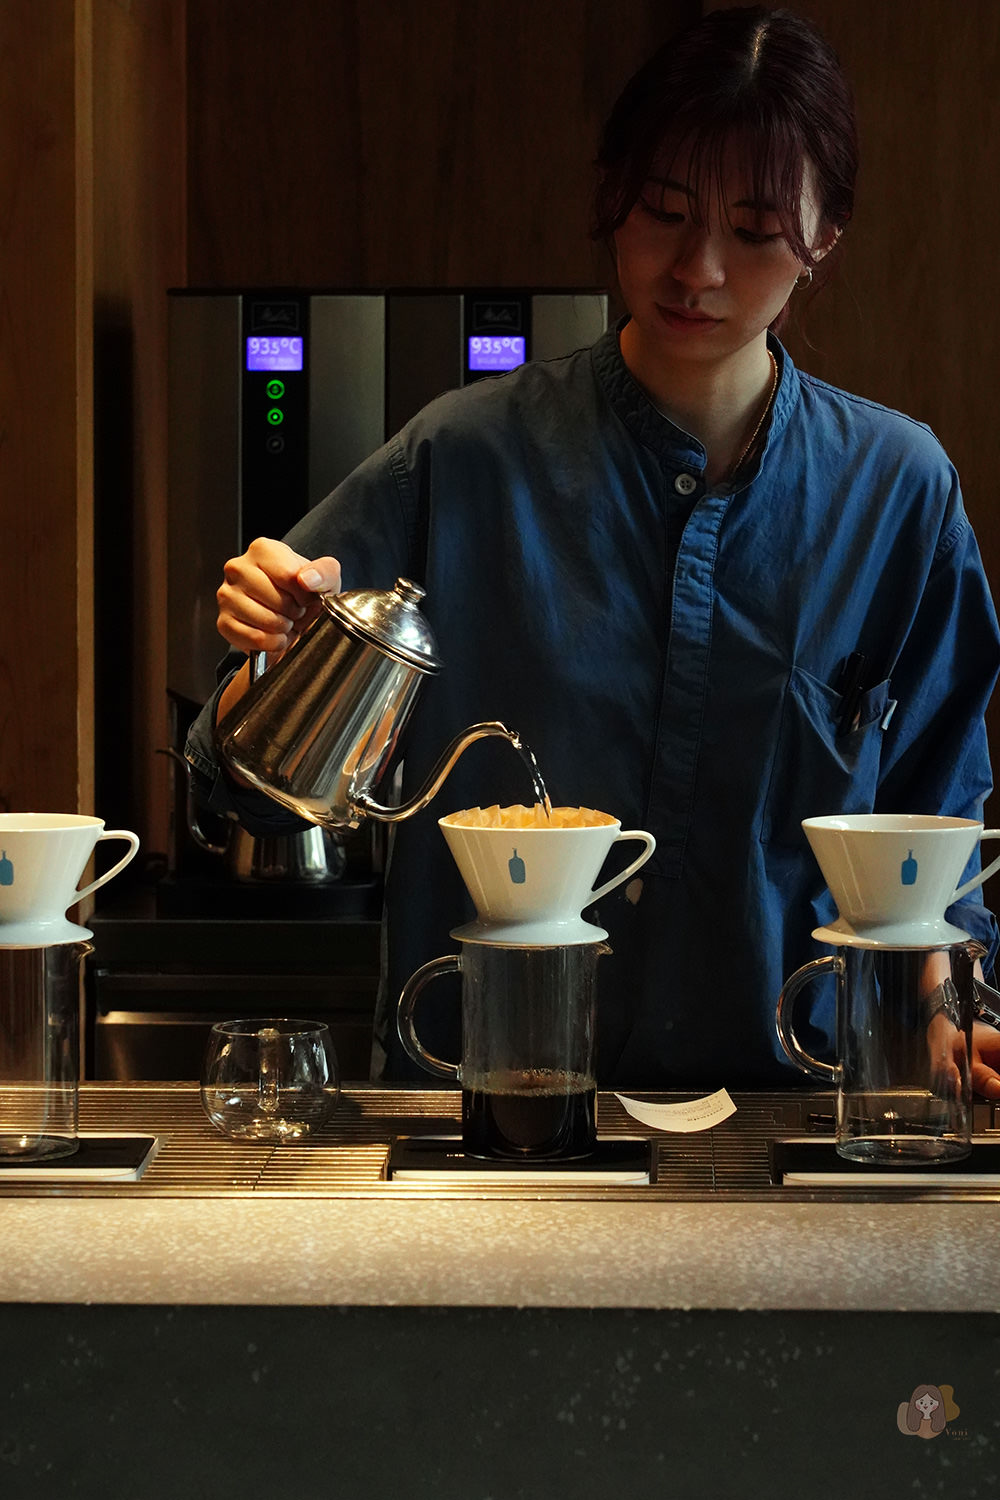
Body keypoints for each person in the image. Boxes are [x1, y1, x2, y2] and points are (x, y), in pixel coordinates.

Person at [186, 5, 1000, 1096]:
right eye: (663, 213)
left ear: (824, 242)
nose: (696, 269)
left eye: (756, 232)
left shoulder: (895, 490)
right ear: (610, 196)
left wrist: (954, 1010)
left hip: (795, 1112)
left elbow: (943, 815)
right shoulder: (465, 456)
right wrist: (271, 647)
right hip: (489, 1109)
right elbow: (240, 791)